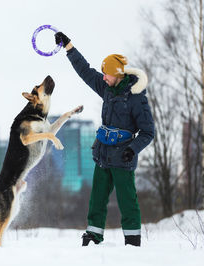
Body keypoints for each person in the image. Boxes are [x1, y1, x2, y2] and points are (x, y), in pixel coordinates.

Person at [54, 32, 155, 247]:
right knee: (97, 198)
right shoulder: (107, 89)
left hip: (123, 157)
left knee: (127, 201)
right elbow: (85, 71)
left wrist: (133, 149)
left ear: (117, 75)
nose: (103, 77)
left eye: (107, 74)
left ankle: (133, 240)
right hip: (103, 154)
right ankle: (93, 234)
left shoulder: (137, 99)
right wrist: (69, 47)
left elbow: (148, 132)